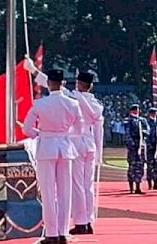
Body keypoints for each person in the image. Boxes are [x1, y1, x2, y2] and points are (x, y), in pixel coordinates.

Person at [22, 69, 83, 244]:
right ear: (63, 83)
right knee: (65, 192)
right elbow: (78, 130)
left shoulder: (40, 104)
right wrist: (63, 133)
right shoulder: (73, 104)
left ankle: (51, 233)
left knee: (48, 193)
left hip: (47, 146)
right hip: (65, 147)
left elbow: (26, 129)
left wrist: (40, 133)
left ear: (48, 83)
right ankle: (63, 232)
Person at [69, 72, 104, 236]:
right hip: (90, 145)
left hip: (76, 143)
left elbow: (54, 86)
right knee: (88, 186)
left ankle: (81, 222)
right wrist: (99, 153)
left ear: (79, 84)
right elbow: (99, 131)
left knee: (77, 185)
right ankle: (89, 221)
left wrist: (34, 71)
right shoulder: (97, 104)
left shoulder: (74, 98)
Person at [123, 104, 149, 194]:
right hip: (133, 148)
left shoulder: (142, 120)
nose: (136, 112)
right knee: (132, 167)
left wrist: (143, 133)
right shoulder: (128, 121)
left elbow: (148, 130)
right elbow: (127, 134)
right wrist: (132, 144)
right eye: (134, 110)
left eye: (137, 110)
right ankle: (131, 187)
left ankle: (138, 187)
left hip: (141, 146)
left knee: (140, 167)